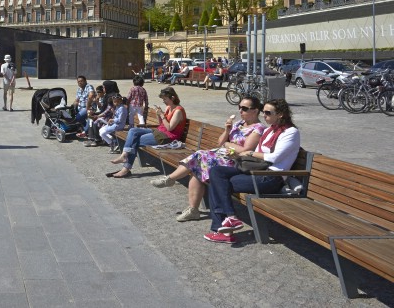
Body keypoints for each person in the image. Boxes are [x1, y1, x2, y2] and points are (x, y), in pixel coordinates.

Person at [149, 96, 264, 221]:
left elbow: (244, 150)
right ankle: (192, 209)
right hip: (222, 156)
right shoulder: (238, 124)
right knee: (196, 166)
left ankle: (170, 180)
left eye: (245, 108)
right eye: (239, 107)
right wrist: (227, 130)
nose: (240, 111)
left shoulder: (258, 128)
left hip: (236, 161)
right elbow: (220, 143)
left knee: (199, 157)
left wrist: (227, 144)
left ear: (255, 111)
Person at [204, 99, 301, 244]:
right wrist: (237, 155)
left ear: (280, 114)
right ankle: (229, 220)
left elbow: (273, 157)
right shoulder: (269, 130)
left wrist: (248, 154)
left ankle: (226, 225)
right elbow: (258, 154)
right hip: (257, 171)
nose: (265, 116)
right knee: (216, 172)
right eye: (264, 112)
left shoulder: (291, 132)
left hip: (270, 177)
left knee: (219, 183)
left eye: (268, 113)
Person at [108, 87, 187, 178]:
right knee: (133, 131)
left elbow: (169, 128)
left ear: (172, 98)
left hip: (167, 137)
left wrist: (162, 114)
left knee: (135, 140)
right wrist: (159, 116)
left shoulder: (178, 111)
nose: (163, 101)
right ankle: (124, 155)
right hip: (159, 131)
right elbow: (162, 124)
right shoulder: (169, 107)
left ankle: (125, 168)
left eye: (165, 99)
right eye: (163, 99)